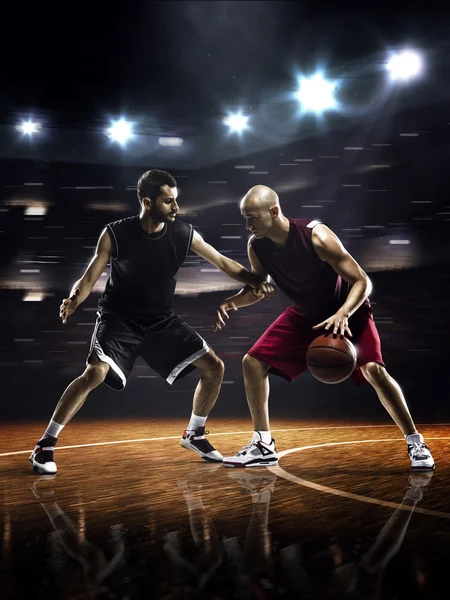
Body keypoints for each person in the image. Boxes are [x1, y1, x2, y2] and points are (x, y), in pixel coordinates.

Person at [30, 170, 274, 475]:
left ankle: (194, 434)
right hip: (119, 319)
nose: (176, 207)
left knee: (214, 367)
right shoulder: (116, 233)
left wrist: (254, 279)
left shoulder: (183, 233)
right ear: (147, 201)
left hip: (160, 320)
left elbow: (224, 263)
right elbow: (90, 276)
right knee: (94, 373)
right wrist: (73, 299)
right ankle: (45, 445)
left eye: (176, 201)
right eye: (168, 201)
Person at [215, 185, 434, 471]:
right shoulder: (256, 245)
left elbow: (362, 281)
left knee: (374, 370)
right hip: (306, 315)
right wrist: (233, 302)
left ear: (274, 211)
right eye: (245, 218)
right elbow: (258, 288)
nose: (248, 224)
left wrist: (344, 313)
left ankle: (415, 442)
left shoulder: (316, 235)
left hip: (348, 310)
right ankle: (263, 445)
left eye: (253, 217)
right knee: (252, 363)